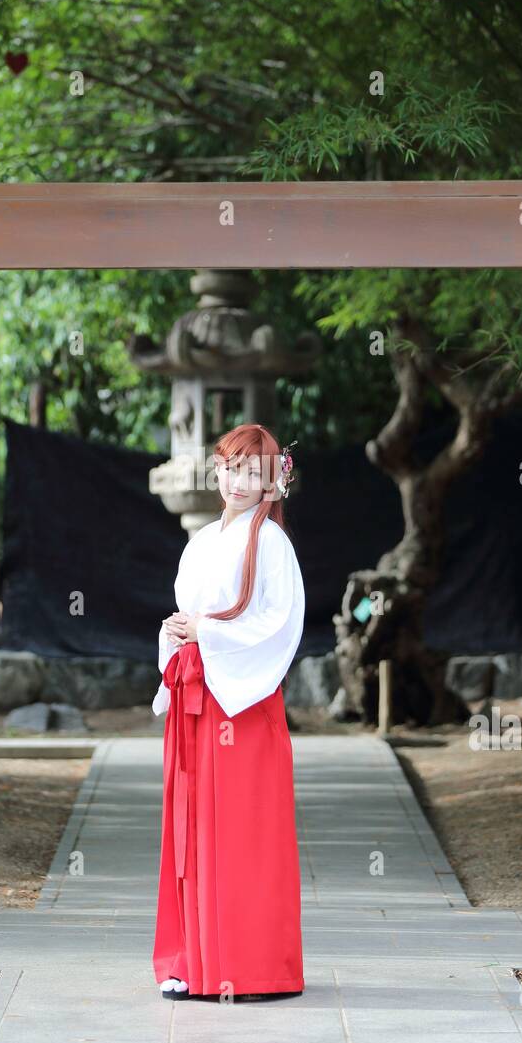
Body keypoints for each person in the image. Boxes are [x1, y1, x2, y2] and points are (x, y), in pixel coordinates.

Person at [151, 422, 305, 1002]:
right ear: (217, 470)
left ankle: (251, 966)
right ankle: (191, 961)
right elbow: (190, 615)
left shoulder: (272, 543)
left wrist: (207, 634)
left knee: (244, 835)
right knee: (191, 831)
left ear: (271, 482)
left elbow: (278, 623)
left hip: (242, 700)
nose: (238, 482)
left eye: (252, 473)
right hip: (198, 695)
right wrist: (177, 634)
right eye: (231, 468)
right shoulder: (201, 542)